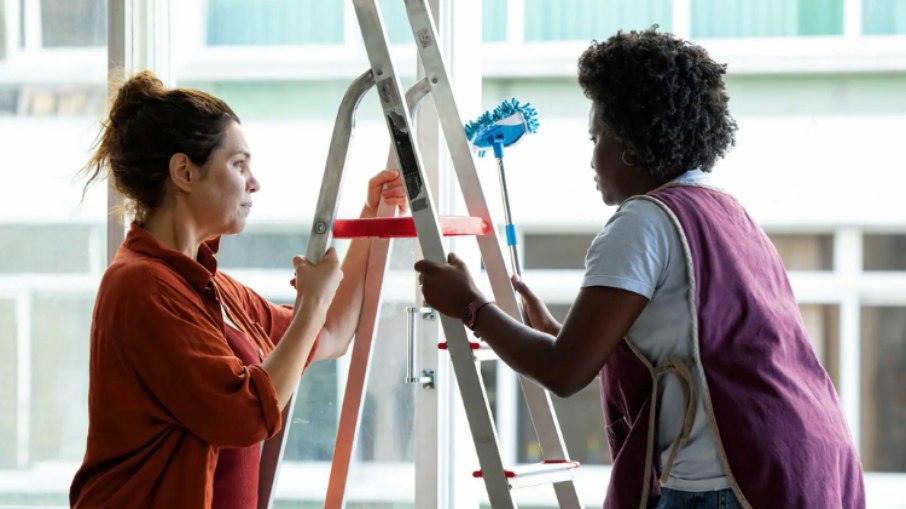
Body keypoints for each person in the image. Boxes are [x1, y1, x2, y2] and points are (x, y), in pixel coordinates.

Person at [415, 28, 865, 509]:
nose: (591, 158)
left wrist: (468, 304)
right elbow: (692, 340)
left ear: (628, 144)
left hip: (728, 479)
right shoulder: (725, 211)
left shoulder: (642, 220)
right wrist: (558, 333)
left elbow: (565, 373)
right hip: (807, 459)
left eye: (597, 137)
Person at [69, 71, 407, 508]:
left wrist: (372, 219)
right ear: (184, 171)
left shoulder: (210, 288)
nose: (254, 182)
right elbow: (246, 415)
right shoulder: (142, 286)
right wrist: (311, 305)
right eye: (239, 164)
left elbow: (333, 332)